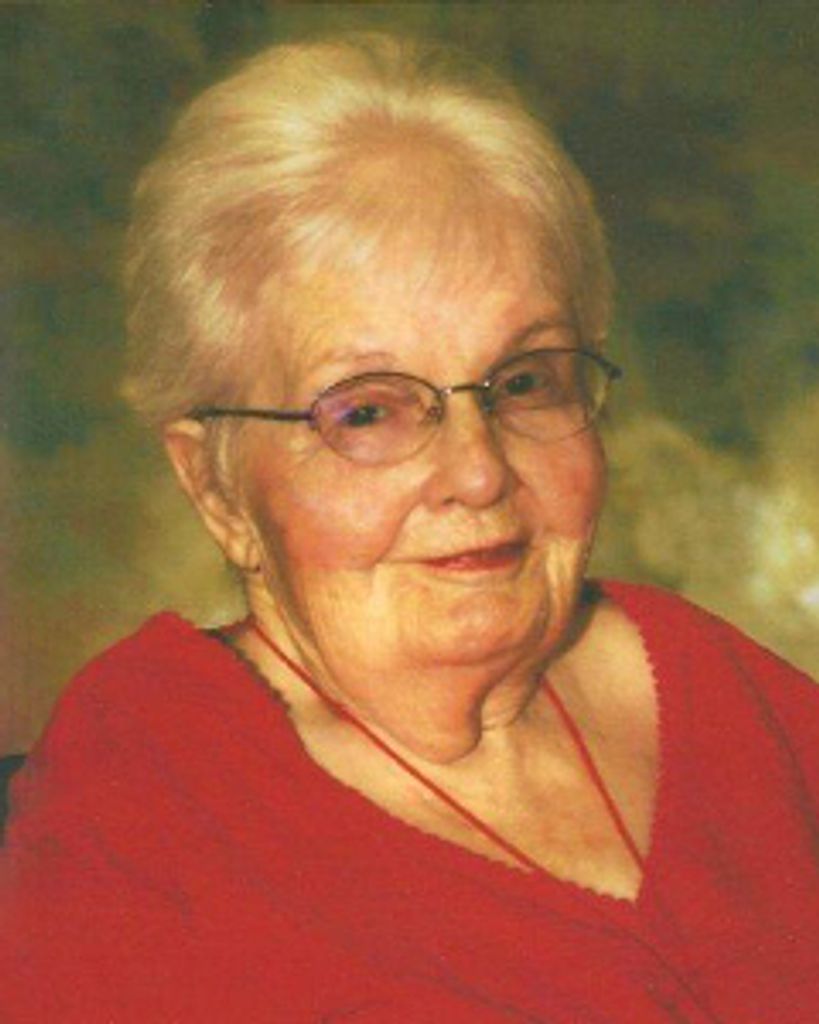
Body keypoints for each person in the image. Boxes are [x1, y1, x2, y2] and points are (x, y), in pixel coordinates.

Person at [2, 31, 818, 1023]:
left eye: (523, 382)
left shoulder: (717, 686)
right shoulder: (149, 794)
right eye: (367, 410)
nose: (478, 472)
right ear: (214, 485)